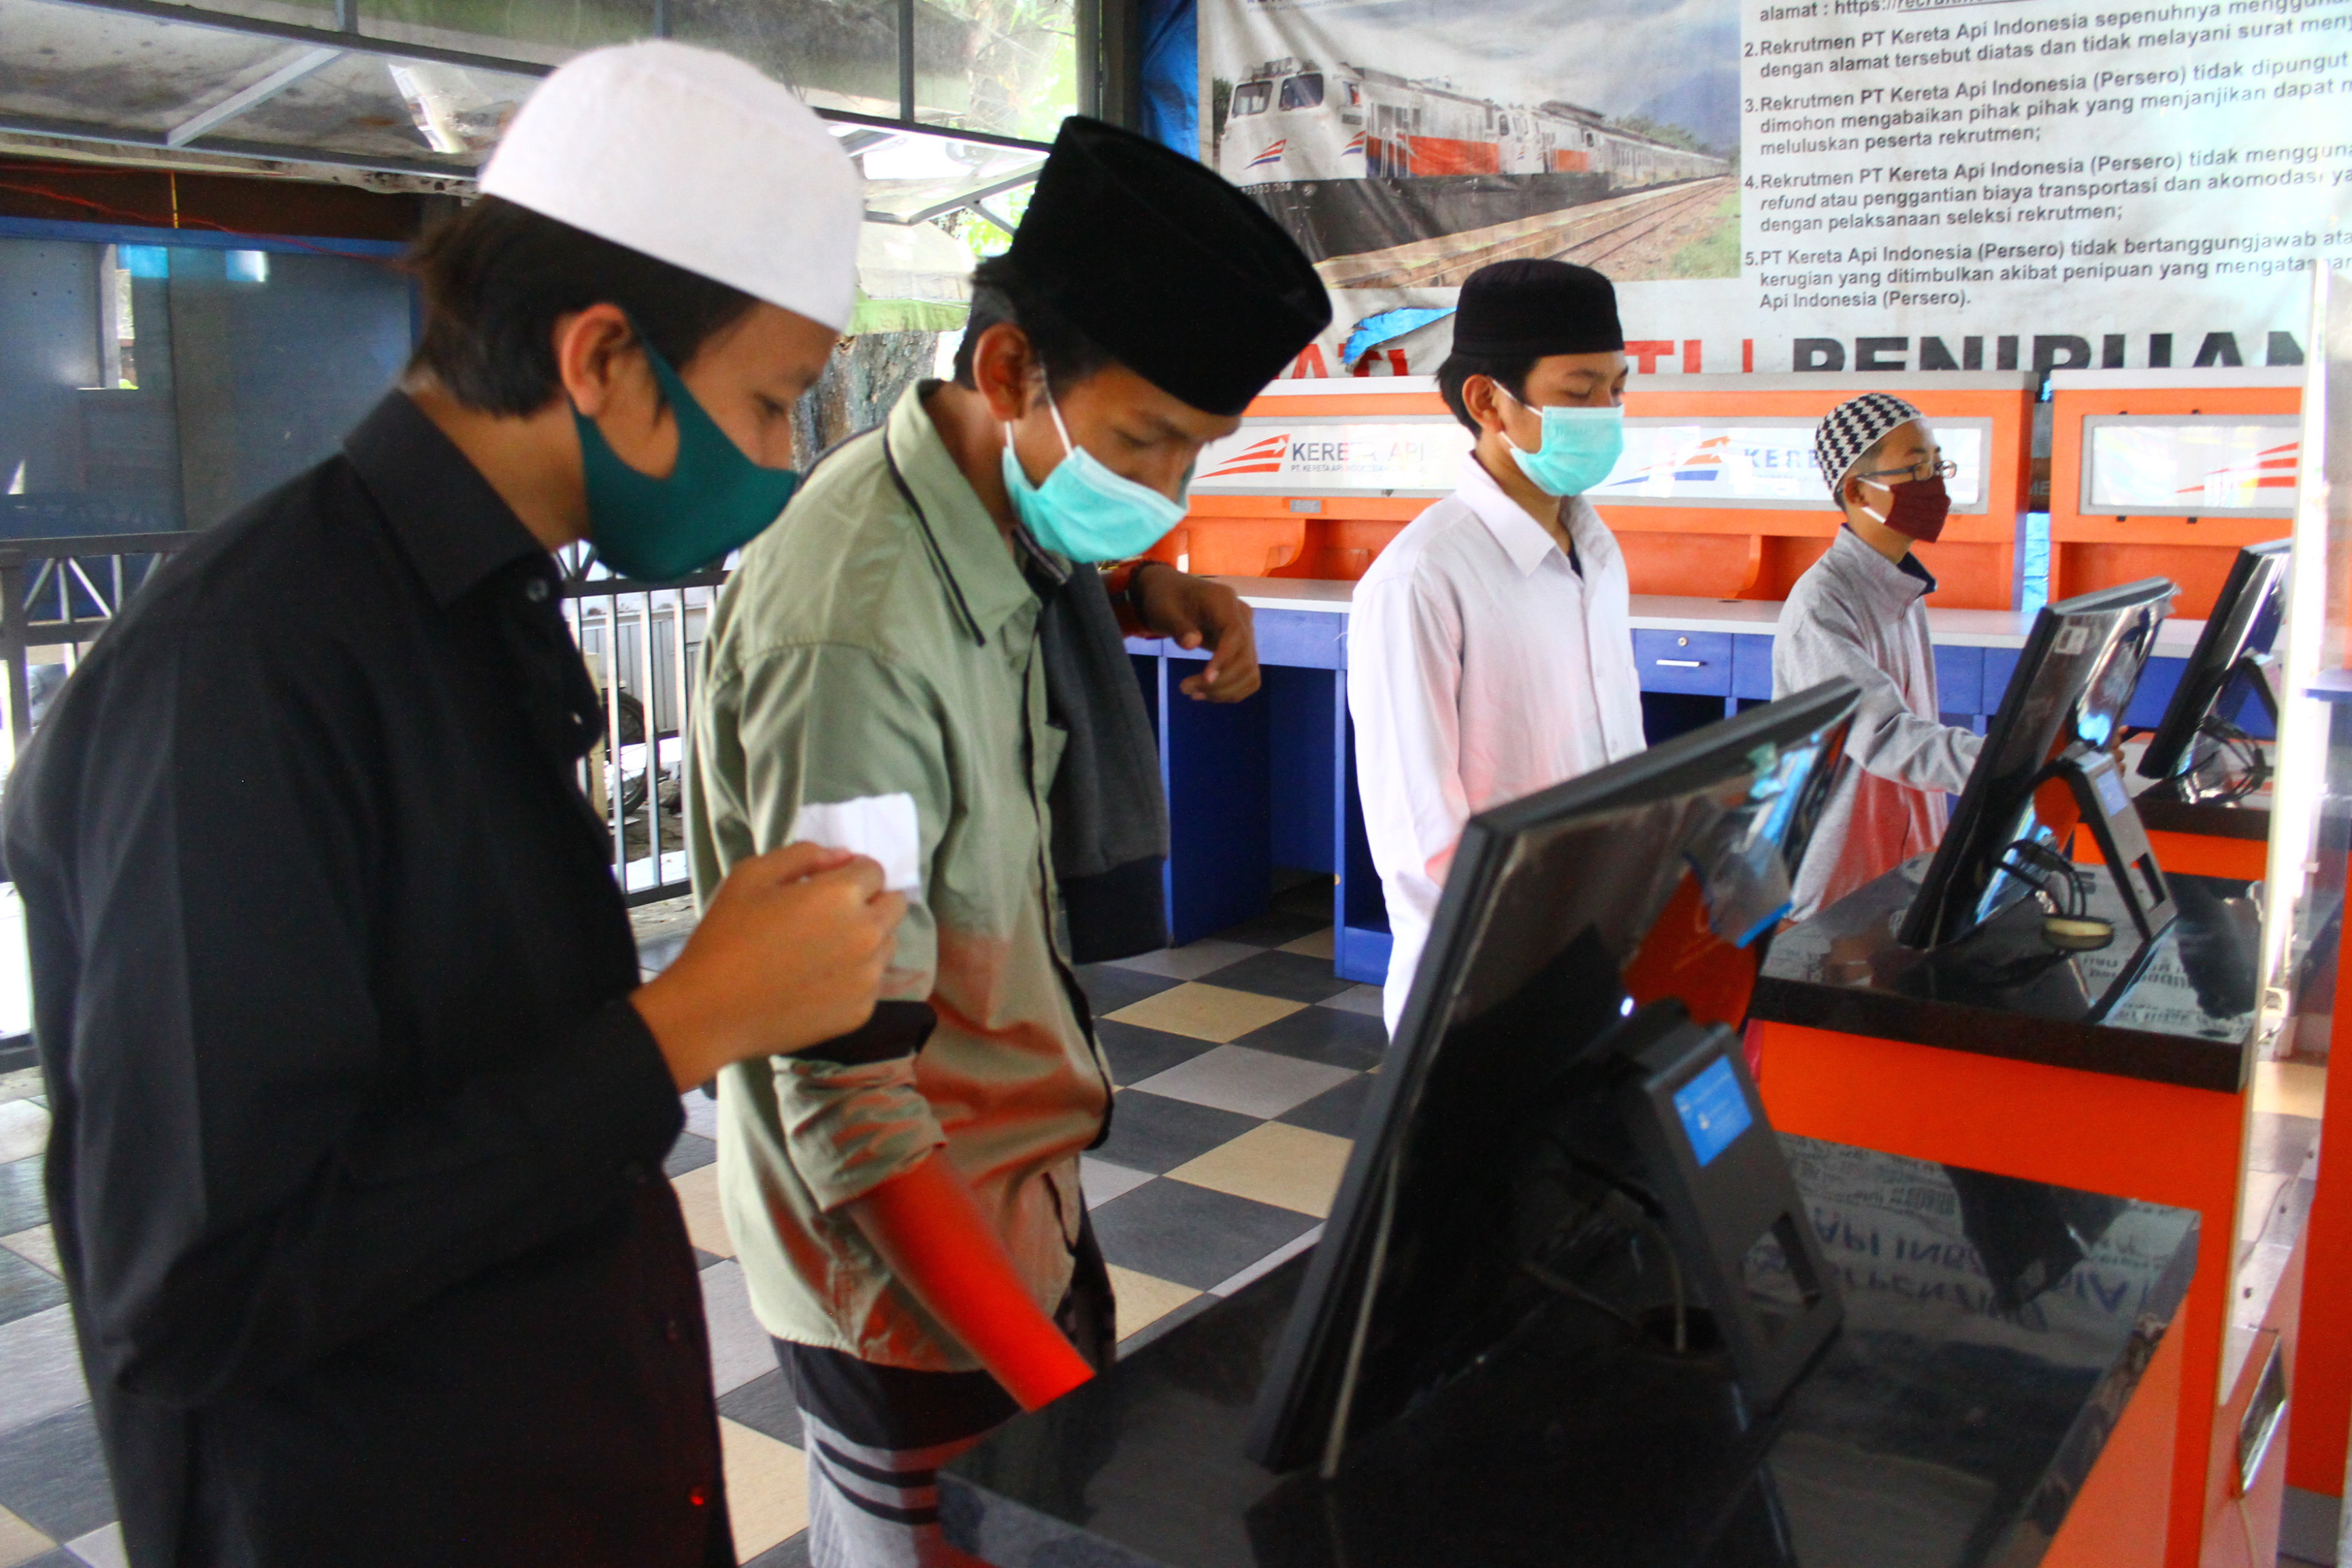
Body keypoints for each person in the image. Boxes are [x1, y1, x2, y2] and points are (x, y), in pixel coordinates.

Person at [0, 42, 907, 1567]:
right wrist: (684, 1025)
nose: (782, 464)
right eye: (772, 404)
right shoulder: (242, 678)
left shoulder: (483, 611)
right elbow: (199, 1288)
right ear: (604, 357)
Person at [685, 115, 1329, 1566]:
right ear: (1003, 372)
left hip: (1020, 1202)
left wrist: (1146, 586)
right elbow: (845, 1096)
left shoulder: (994, 519)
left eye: (1197, 451)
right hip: (915, 1281)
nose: (1166, 489)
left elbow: (1049, 558)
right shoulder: (859, 633)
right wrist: (1060, 1411)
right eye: (1144, 441)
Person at [1347, 259, 1646, 1034]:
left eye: (1617, 390)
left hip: (1601, 952)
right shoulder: (1424, 576)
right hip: (1490, 984)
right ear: (1487, 401)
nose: (1607, 412)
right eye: (1579, 393)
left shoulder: (1596, 550)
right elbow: (1421, 839)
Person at [1774, 393, 1984, 920]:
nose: (1935, 483)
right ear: (1855, 490)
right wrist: (2003, 763)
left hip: (1905, 869)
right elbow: (1884, 734)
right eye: (1916, 468)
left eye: (1937, 465)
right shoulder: (1822, 605)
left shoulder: (1898, 587)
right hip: (1840, 889)